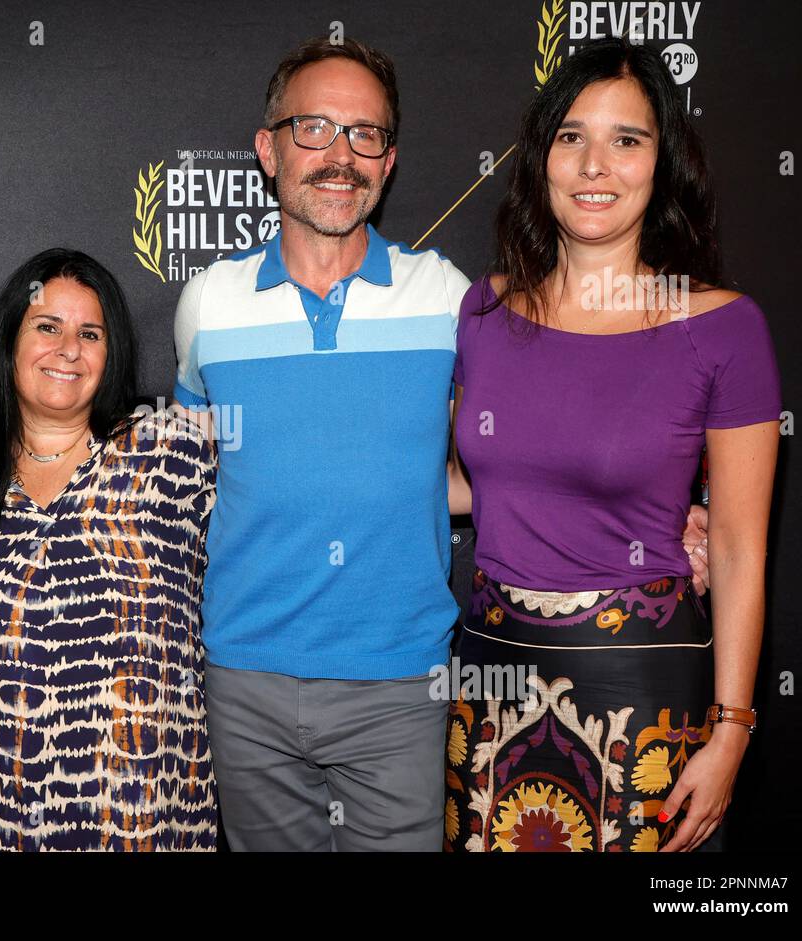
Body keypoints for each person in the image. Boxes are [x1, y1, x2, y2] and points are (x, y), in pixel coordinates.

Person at [173, 36, 710, 852]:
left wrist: (669, 510)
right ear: (268, 147)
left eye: (366, 134)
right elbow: (180, 474)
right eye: (314, 128)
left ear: (389, 161)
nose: (340, 156)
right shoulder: (207, 302)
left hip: (403, 685)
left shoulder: (450, 299)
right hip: (243, 681)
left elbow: (521, 451)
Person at [444, 38, 779, 852]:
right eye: (571, 137)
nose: (596, 165)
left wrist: (732, 729)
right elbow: (475, 484)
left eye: (627, 140)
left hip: (644, 683)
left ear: (662, 164)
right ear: (541, 158)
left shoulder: (723, 329)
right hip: (486, 680)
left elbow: (735, 546)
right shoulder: (483, 313)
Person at [0, 248, 217, 851]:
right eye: (46, 326)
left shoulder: (173, 458)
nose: (68, 349)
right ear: (10, 341)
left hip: (136, 819)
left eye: (90, 333)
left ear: (112, 353)